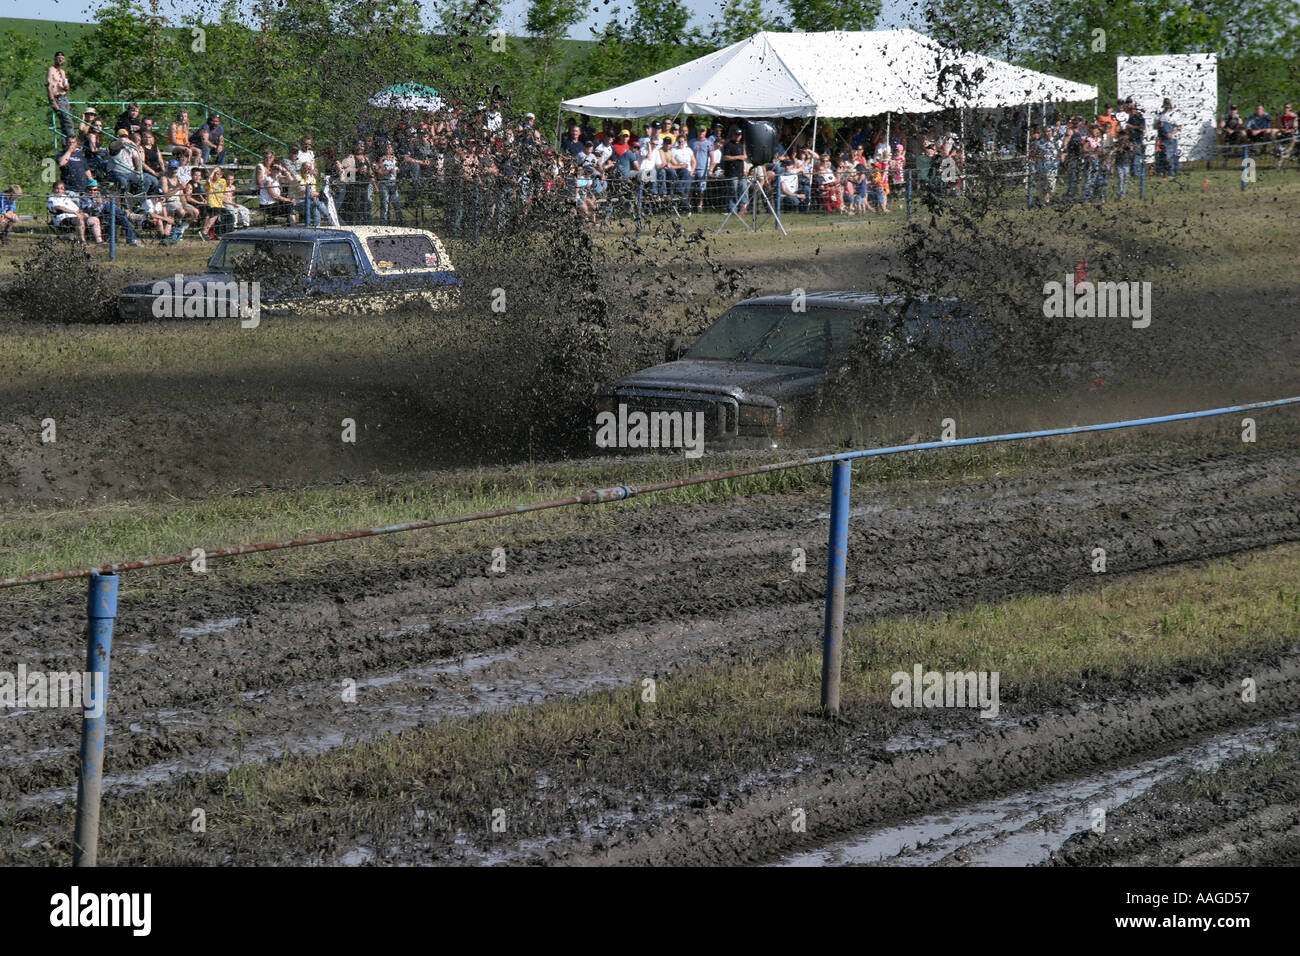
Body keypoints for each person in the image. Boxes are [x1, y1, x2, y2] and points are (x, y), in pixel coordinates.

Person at [79, 180, 142, 246]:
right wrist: (97, 204)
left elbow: (107, 204)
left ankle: (131, 239)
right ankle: (131, 238)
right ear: (86, 189)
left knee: (122, 217)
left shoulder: (98, 195)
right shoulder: (84, 197)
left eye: (95, 190)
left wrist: (101, 202)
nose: (92, 192)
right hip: (96, 216)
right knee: (118, 213)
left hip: (106, 214)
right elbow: (87, 211)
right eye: (90, 189)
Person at [47, 52, 73, 140]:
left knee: (64, 123)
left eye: (62, 58)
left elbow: (66, 87)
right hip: (57, 98)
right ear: (55, 59)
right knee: (67, 121)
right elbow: (49, 86)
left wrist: (66, 86)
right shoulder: (51, 70)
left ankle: (66, 145)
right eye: (58, 58)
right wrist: (53, 102)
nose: (60, 60)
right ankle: (72, 139)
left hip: (64, 97)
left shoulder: (62, 72)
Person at [721, 127, 747, 215]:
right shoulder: (728, 145)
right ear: (733, 135)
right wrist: (738, 157)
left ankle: (743, 209)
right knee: (733, 191)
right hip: (731, 173)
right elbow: (726, 157)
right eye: (736, 134)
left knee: (743, 190)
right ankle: (732, 209)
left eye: (739, 135)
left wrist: (742, 157)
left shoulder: (741, 145)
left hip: (741, 172)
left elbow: (745, 156)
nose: (738, 136)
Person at [376, 143, 403, 224]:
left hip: (393, 182)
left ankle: (401, 221)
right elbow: (379, 172)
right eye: (387, 148)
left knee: (396, 202)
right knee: (385, 203)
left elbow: (398, 168)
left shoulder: (395, 159)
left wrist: (397, 171)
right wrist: (388, 172)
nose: (388, 149)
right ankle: (384, 222)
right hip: (384, 182)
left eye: (390, 148)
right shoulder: (382, 159)